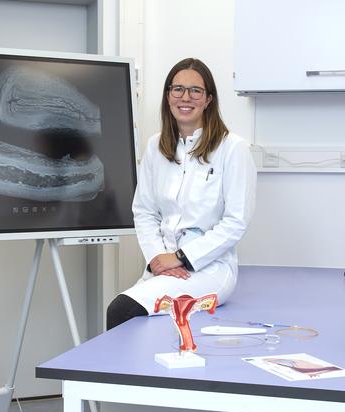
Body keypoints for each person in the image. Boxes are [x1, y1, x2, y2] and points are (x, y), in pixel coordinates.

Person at [106, 58, 257, 330]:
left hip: (209, 269)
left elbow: (235, 222)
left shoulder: (233, 149)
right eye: (177, 89)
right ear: (168, 96)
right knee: (131, 324)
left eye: (195, 91)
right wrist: (158, 258)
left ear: (208, 99)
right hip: (161, 263)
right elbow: (144, 211)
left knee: (122, 310)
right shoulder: (156, 146)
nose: (185, 97)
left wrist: (181, 258)